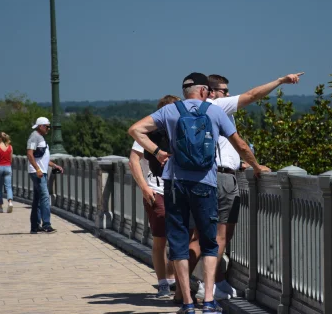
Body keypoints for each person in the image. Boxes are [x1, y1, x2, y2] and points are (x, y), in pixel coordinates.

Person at [128, 73, 270, 314]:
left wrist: (159, 152)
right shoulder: (214, 111)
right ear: (205, 91)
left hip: (175, 183)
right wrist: (256, 166)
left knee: (180, 242)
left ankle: (187, 303)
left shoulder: (170, 111)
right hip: (205, 182)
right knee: (209, 242)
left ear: (185, 91)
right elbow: (240, 144)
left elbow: (135, 130)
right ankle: (209, 302)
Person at [189, 72, 304, 300]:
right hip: (221, 179)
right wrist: (281, 81)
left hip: (201, 177)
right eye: (224, 90)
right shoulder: (217, 105)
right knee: (219, 238)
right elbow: (252, 96)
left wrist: (237, 163)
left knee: (201, 237)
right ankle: (206, 286)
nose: (228, 94)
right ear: (211, 92)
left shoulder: (194, 110)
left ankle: (190, 285)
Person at [129, 95, 180, 299]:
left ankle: (173, 278)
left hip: (179, 191)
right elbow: (134, 161)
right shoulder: (147, 133)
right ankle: (163, 283)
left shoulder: (180, 130)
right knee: (161, 238)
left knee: (179, 238)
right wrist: (144, 187)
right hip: (156, 190)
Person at [27, 117, 64, 234]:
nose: (48, 129)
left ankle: (35, 226)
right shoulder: (34, 136)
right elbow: (29, 154)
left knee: (38, 199)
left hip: (41, 171)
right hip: (37, 172)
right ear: (41, 126)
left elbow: (42, 158)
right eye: (47, 127)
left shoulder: (41, 138)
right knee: (45, 197)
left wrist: (54, 165)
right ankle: (46, 225)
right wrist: (37, 169)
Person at [0, 132, 14, 213]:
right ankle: (10, 202)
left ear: (0, 138)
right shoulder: (10, 147)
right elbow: (11, 159)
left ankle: (0, 207)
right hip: (8, 167)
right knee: (8, 186)